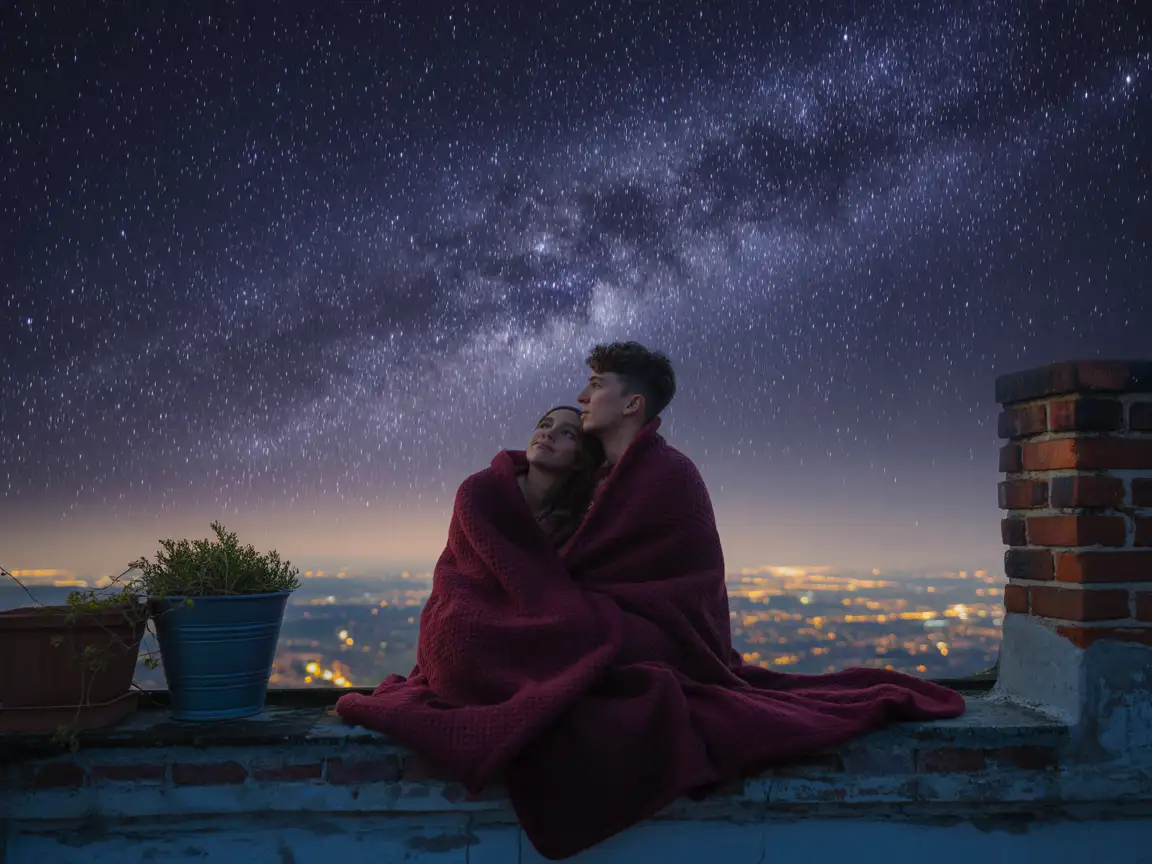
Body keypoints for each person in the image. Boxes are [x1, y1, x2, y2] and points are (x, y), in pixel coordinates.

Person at [517, 406, 605, 547]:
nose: (549, 433)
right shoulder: (486, 493)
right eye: (545, 425)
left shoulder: (579, 529)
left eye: (567, 433)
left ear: (580, 460)